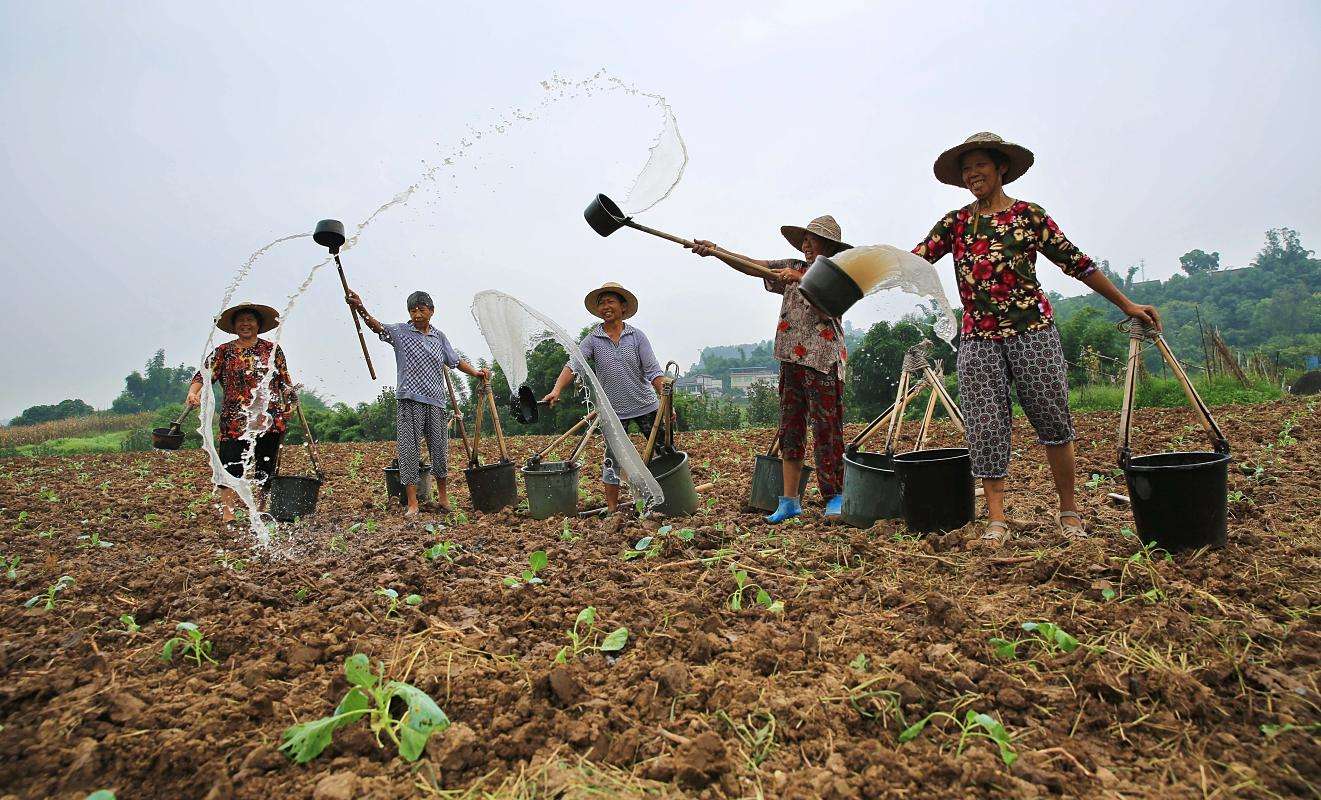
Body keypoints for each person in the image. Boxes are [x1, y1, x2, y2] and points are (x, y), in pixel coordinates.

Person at [912, 132, 1161, 543]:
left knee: (1053, 420)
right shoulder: (955, 224)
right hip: (978, 339)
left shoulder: (1029, 216)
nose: (973, 174)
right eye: (967, 169)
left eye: (980, 166)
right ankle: (996, 518)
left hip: (1033, 334)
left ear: (1001, 168)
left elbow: (1076, 262)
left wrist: (1127, 305)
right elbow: (916, 259)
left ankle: (1069, 511)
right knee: (985, 426)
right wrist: (863, 270)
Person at [687, 216, 851, 523]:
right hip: (790, 359)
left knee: (826, 431)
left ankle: (835, 496)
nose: (805, 246)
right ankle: (789, 501)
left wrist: (800, 279)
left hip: (822, 362)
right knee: (791, 429)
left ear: (828, 246)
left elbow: (831, 304)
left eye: (811, 240)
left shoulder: (838, 274)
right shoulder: (791, 265)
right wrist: (717, 251)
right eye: (804, 240)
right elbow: (753, 265)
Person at [346, 289, 489, 518]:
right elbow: (377, 327)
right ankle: (413, 503)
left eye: (422, 309)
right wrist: (361, 308)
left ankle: (442, 497)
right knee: (408, 451)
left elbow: (454, 360)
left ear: (431, 311)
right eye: (413, 310)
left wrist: (475, 373)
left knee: (439, 451)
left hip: (435, 401)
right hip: (409, 400)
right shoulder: (401, 332)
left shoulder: (439, 337)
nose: (417, 314)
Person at [542, 282, 666, 514]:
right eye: (601, 303)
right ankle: (612, 509)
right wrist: (556, 390)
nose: (605, 307)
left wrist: (665, 398)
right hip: (614, 412)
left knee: (663, 452)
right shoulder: (593, 340)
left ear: (623, 306)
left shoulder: (637, 337)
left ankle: (667, 500)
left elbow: (653, 371)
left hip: (646, 406)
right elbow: (573, 365)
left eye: (610, 302)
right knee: (612, 461)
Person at [187, 302, 296, 524]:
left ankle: (261, 508)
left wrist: (291, 404)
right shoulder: (224, 352)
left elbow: (284, 380)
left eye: (250, 320)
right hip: (235, 420)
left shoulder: (271, 349)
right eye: (241, 321)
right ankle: (228, 512)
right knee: (230, 464)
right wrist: (193, 393)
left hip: (268, 418)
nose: (246, 324)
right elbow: (203, 374)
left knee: (265, 465)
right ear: (235, 326)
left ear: (258, 325)